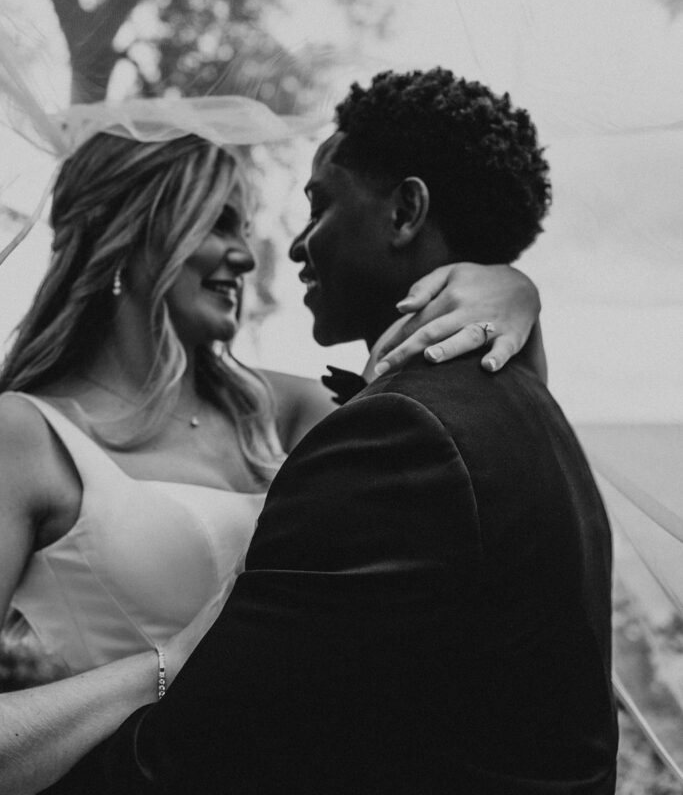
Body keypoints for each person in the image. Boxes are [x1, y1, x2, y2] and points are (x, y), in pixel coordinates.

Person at [47, 68, 618, 795]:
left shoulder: (401, 432)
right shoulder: (522, 407)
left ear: (405, 211)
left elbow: (203, 756)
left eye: (318, 204)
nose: (286, 250)